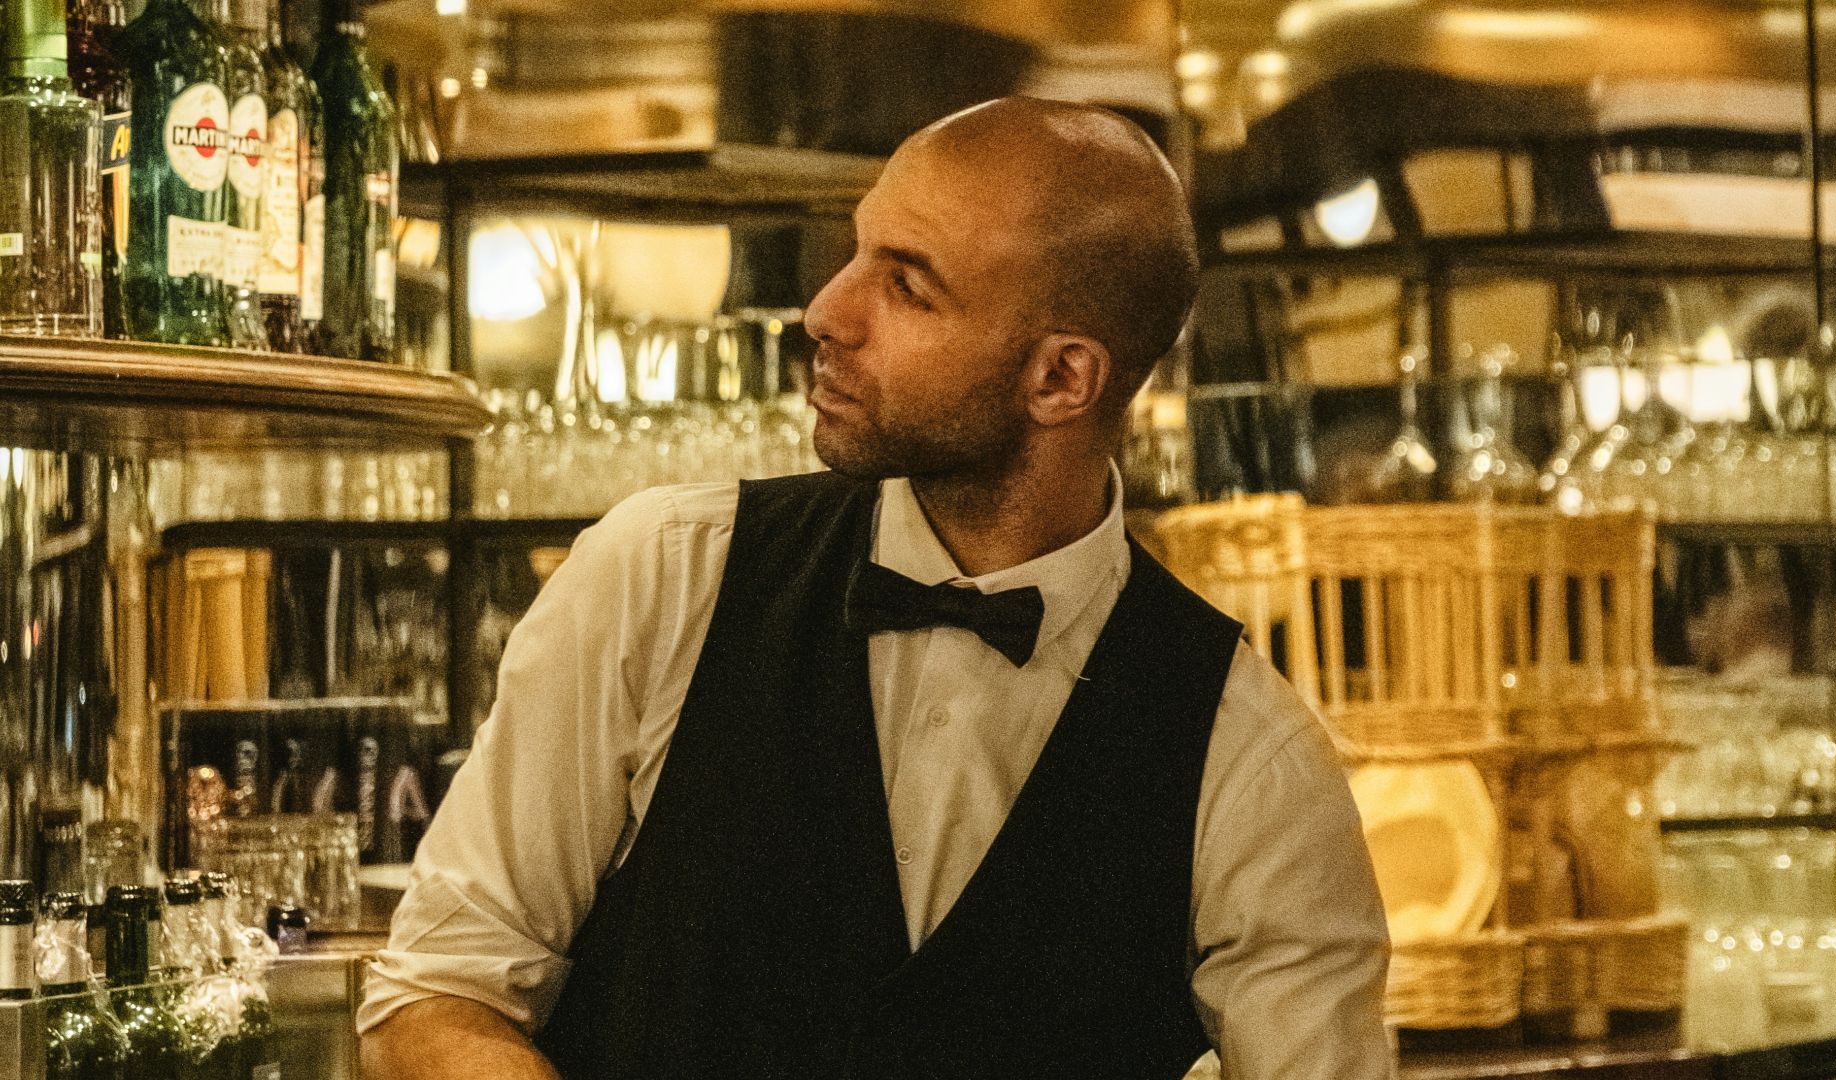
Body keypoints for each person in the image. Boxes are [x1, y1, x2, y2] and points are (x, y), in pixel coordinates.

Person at [358, 96, 1390, 1080]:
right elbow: (435, 1001)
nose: (825, 311)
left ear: (1060, 380)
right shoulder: (663, 575)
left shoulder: (1250, 761)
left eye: (907, 285)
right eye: (856, 251)